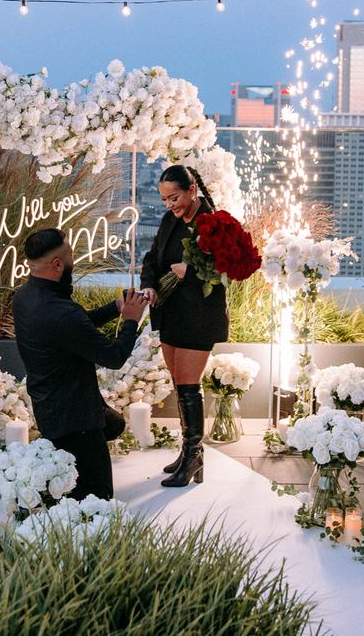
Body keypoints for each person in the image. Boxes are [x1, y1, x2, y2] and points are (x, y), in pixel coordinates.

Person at [13, 227, 148, 501]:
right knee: (96, 497)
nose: (74, 258)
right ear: (57, 265)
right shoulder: (62, 313)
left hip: (50, 406)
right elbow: (114, 357)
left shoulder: (24, 297)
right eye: (71, 254)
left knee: (112, 425)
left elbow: (75, 326)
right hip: (76, 420)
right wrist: (132, 319)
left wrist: (116, 307)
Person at [139, 165, 229, 487]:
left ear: (192, 190)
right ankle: (190, 454)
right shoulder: (169, 221)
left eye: (174, 197)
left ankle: (193, 458)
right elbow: (152, 259)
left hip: (199, 315)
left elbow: (222, 272)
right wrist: (150, 284)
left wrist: (187, 273)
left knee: (189, 387)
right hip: (171, 313)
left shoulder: (214, 224)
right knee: (181, 385)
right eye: (164, 200)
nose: (169, 205)